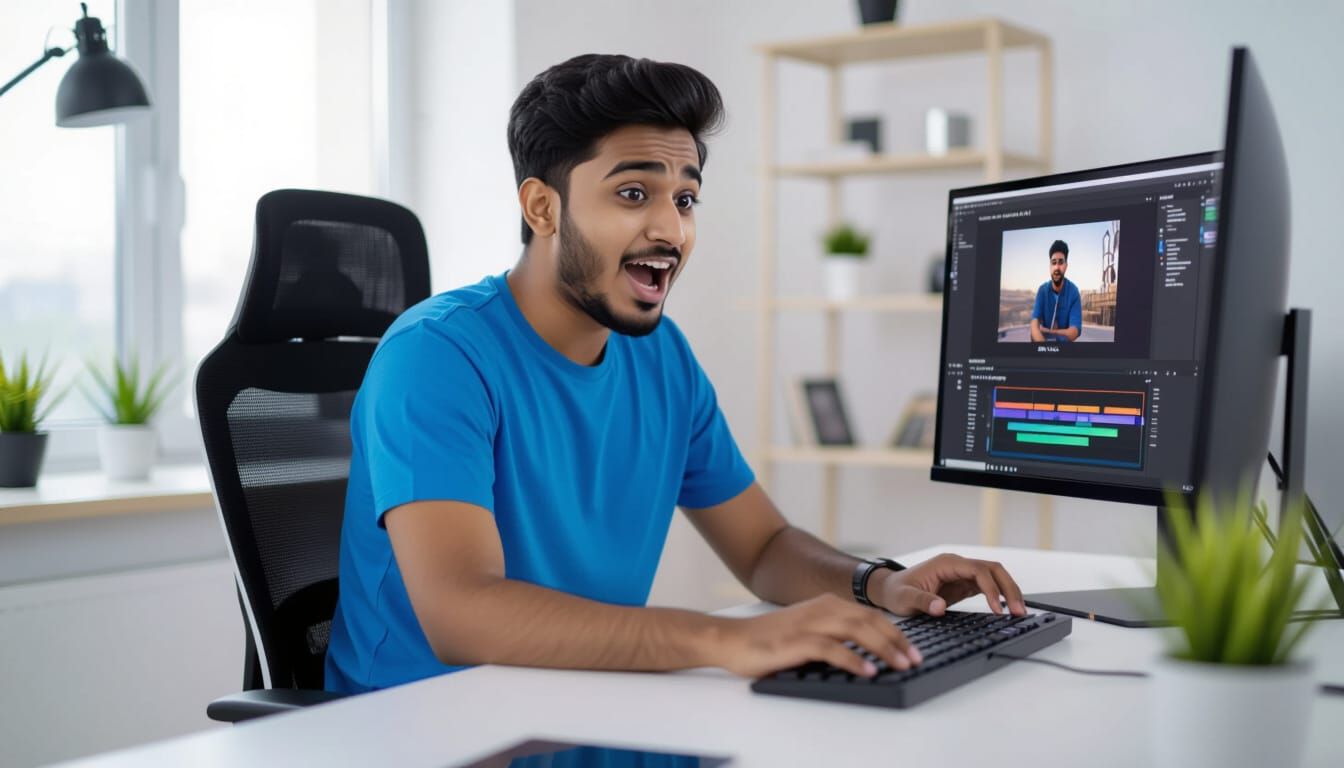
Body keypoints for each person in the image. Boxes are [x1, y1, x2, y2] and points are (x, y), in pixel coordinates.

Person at [324, 54, 1026, 694]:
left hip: (586, 703)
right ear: (542, 207)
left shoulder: (661, 357)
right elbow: (462, 613)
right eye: (634, 194)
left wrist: (880, 584)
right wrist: (724, 639)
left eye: (685, 200)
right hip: (427, 729)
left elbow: (763, 548)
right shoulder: (436, 356)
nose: (672, 231)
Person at [1030, 239, 1083, 342]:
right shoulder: (1042, 290)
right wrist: (1045, 349)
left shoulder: (1073, 292)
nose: (1057, 267)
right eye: (1053, 263)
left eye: (1061, 262)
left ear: (1066, 266)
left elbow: (1074, 332)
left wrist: (1050, 331)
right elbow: (1034, 325)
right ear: (1050, 266)